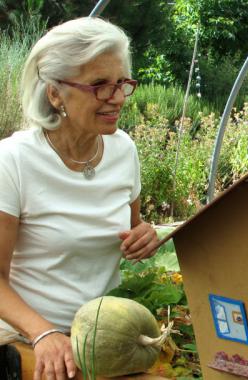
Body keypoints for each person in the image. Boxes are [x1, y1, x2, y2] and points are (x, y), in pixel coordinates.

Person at [0, 17, 160, 379]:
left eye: (121, 83)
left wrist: (145, 237)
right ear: (55, 93)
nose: (117, 98)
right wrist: (43, 332)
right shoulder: (13, 161)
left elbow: (131, 233)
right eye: (99, 85)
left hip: (104, 338)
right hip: (27, 338)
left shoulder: (124, 151)